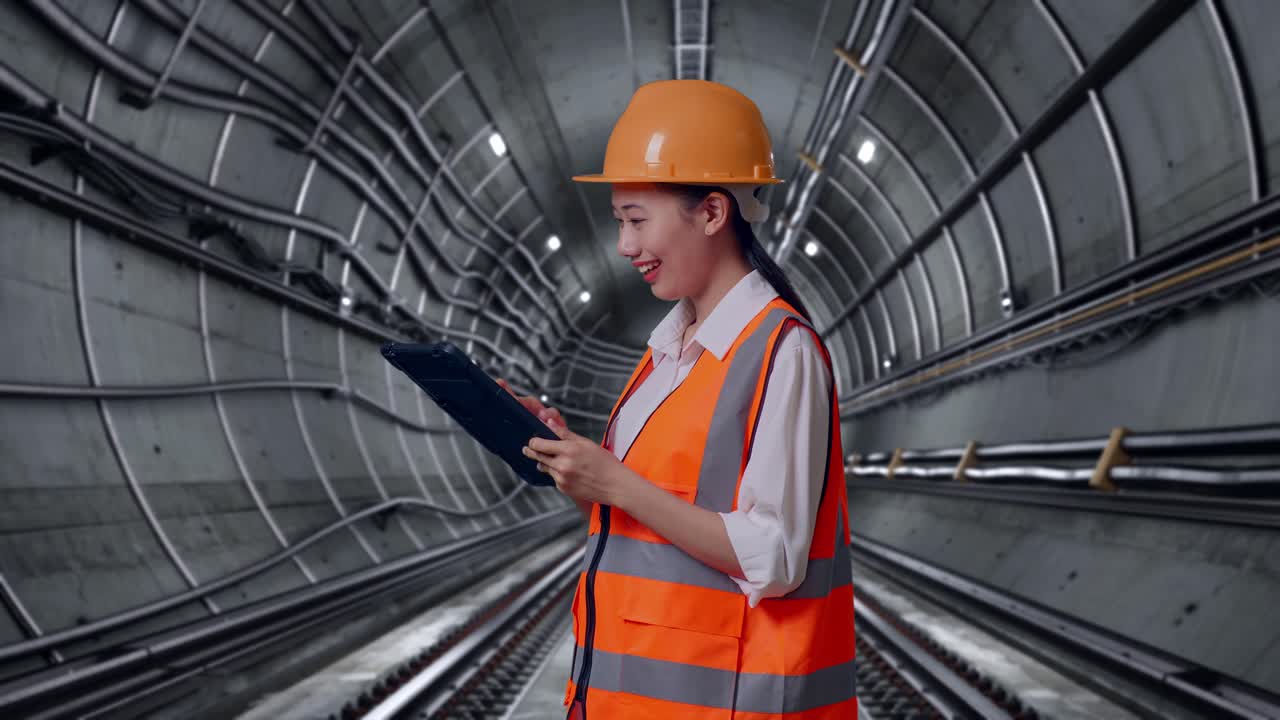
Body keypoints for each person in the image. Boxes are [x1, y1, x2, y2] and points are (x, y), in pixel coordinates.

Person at [501, 79, 856, 719]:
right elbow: (643, 504)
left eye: (637, 221)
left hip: (724, 700)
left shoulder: (783, 351)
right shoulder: (666, 349)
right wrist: (571, 459)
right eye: (619, 223)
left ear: (714, 213)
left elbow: (774, 558)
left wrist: (615, 482)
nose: (625, 246)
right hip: (629, 698)